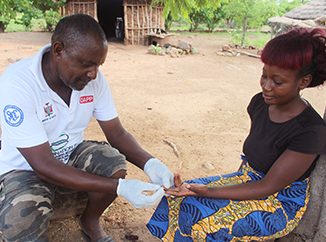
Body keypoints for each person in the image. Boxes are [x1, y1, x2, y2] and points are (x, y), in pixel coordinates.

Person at [0, 14, 174, 242]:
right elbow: (42, 165)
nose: (93, 74)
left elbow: (117, 133)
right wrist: (119, 188)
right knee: (21, 220)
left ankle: (89, 221)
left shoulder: (93, 81)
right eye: (86, 64)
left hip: (70, 158)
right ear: (58, 50)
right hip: (25, 170)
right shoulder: (19, 84)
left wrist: (151, 163)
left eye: (98, 65)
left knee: (112, 162)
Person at [147, 28, 326, 241]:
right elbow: (255, 157)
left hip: (278, 201)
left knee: (208, 225)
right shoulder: (260, 103)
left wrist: (209, 192)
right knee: (177, 196)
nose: (266, 86)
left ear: (303, 82)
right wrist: (206, 190)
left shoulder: (310, 130)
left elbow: (268, 186)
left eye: (277, 82)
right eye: (264, 76)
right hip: (247, 179)